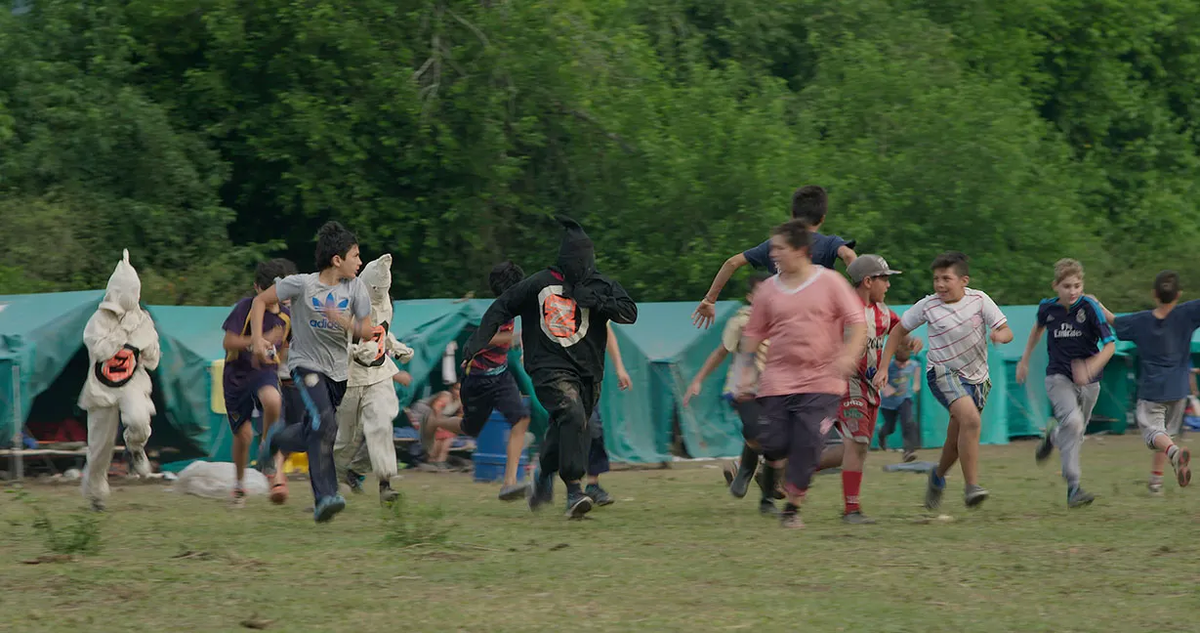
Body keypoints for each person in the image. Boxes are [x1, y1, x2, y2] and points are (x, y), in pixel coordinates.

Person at [462, 217, 638, 519]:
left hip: (588, 371)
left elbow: (629, 313)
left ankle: (543, 471)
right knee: (572, 414)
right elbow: (501, 307)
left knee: (570, 424)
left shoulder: (600, 284)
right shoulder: (539, 284)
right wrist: (474, 345)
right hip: (547, 367)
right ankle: (574, 491)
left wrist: (595, 300)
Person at [736, 220, 868, 529]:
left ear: (801, 250)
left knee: (809, 441)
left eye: (780, 249)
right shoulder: (768, 290)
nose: (774, 255)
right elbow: (753, 335)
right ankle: (770, 477)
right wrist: (742, 375)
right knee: (775, 443)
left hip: (822, 379)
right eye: (772, 249)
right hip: (777, 380)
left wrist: (849, 353)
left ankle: (792, 507)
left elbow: (857, 321)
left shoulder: (831, 282)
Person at [253, 221, 373, 523]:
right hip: (305, 365)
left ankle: (277, 439)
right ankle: (325, 497)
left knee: (315, 431)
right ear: (337, 260)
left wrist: (343, 322)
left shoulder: (357, 289)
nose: (360, 263)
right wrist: (257, 339)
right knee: (326, 424)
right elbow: (259, 300)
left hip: (338, 373)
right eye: (355, 256)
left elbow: (368, 332)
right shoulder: (302, 284)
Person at [877, 252, 1012, 511]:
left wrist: (999, 335)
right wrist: (884, 367)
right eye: (936, 279)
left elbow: (1007, 331)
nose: (939, 285)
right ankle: (972, 487)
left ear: (963, 280)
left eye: (946, 279)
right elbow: (897, 331)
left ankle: (937, 478)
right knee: (971, 420)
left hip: (978, 380)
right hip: (942, 373)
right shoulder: (928, 305)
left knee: (956, 440)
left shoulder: (980, 300)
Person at [419, 262, 532, 500]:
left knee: (520, 420)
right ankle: (434, 421)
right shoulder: (496, 311)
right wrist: (513, 337)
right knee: (470, 428)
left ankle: (509, 483)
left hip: (500, 376)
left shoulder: (512, 307)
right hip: (478, 379)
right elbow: (483, 337)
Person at [1015, 259, 1115, 507]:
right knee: (1073, 421)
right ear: (1055, 286)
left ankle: (1053, 438)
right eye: (1067, 286)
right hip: (1058, 376)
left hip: (1091, 382)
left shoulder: (1090, 307)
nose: (1072, 291)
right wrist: (1024, 359)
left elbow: (1111, 345)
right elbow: (1037, 329)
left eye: (1077, 285)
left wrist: (1090, 367)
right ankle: (1074, 488)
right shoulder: (1047, 309)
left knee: (1076, 432)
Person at [685, 272, 783, 514]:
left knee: (775, 444)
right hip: (745, 389)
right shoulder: (741, 321)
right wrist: (697, 380)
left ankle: (766, 499)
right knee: (754, 432)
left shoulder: (783, 320)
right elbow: (721, 352)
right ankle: (747, 471)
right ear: (751, 297)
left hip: (776, 389)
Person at [693, 185, 857, 329]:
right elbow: (849, 255)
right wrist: (856, 296)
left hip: (781, 323)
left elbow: (732, 262)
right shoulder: (829, 243)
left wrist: (710, 299)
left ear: (793, 215)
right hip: (820, 323)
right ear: (822, 219)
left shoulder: (775, 245)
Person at [834, 254, 917, 524]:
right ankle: (851, 510)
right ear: (868, 281)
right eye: (884, 279)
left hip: (870, 388)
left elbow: (899, 331)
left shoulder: (883, 313)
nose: (888, 285)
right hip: (845, 385)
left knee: (857, 447)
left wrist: (911, 340)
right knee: (857, 442)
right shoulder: (844, 310)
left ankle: (783, 471)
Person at [79, 250, 161, 512]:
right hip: (101, 387)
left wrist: (147, 347)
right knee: (99, 449)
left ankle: (135, 448)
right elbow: (100, 351)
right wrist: (123, 333)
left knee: (139, 418)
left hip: (131, 382)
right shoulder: (98, 321)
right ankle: (96, 495)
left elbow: (152, 360)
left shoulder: (142, 319)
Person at [333, 253, 415, 505]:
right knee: (342, 437)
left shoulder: (385, 304)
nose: (379, 295)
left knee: (381, 424)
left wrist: (397, 347)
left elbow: (383, 334)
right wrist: (355, 351)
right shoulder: (343, 303)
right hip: (349, 377)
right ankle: (328, 484)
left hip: (378, 375)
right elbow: (337, 344)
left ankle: (385, 485)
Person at [1106, 270, 1196, 494]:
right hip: (1179, 390)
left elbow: (1114, 322)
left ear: (1154, 294)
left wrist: (1094, 302)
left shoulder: (1141, 321)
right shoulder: (1188, 313)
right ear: (1179, 294)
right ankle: (1155, 483)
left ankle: (1175, 454)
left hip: (1152, 391)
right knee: (1164, 435)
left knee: (1153, 434)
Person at [221, 257, 297, 507]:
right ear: (257, 288)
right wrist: (258, 340)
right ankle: (239, 484)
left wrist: (276, 361)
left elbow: (283, 348)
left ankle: (267, 448)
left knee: (273, 400)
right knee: (242, 435)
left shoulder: (286, 317)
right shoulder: (245, 308)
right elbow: (228, 342)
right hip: (236, 375)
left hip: (264, 372)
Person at [583, 322, 633, 507]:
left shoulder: (593, 299)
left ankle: (592, 485)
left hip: (588, 375)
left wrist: (620, 368)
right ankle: (546, 477)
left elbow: (606, 331)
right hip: (561, 373)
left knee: (594, 427)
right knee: (565, 429)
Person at [878, 345, 921, 462]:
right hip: (888, 404)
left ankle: (909, 451)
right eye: (899, 363)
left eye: (904, 363)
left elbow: (917, 367)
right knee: (890, 427)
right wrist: (886, 387)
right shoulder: (889, 366)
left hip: (904, 399)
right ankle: (882, 434)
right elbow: (878, 379)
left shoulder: (912, 364)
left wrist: (917, 383)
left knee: (908, 423)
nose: (902, 366)